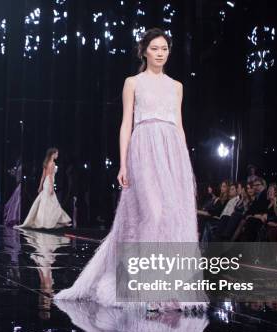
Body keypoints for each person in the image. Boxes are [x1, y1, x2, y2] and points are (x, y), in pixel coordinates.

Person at [56, 28, 203, 310]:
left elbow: (180, 126)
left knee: (172, 217)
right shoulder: (133, 83)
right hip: (144, 149)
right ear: (144, 51)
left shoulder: (176, 86)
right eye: (155, 48)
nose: (161, 53)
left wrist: (185, 164)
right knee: (152, 213)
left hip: (173, 152)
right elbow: (126, 125)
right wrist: (123, 163)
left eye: (165, 49)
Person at [16, 148, 72, 229]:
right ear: (53, 154)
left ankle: (44, 221)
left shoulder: (46, 163)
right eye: (56, 154)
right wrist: (52, 187)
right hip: (49, 183)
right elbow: (50, 176)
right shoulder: (52, 163)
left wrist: (40, 186)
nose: (57, 155)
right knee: (53, 203)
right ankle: (58, 221)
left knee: (45, 203)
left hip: (46, 183)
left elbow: (43, 176)